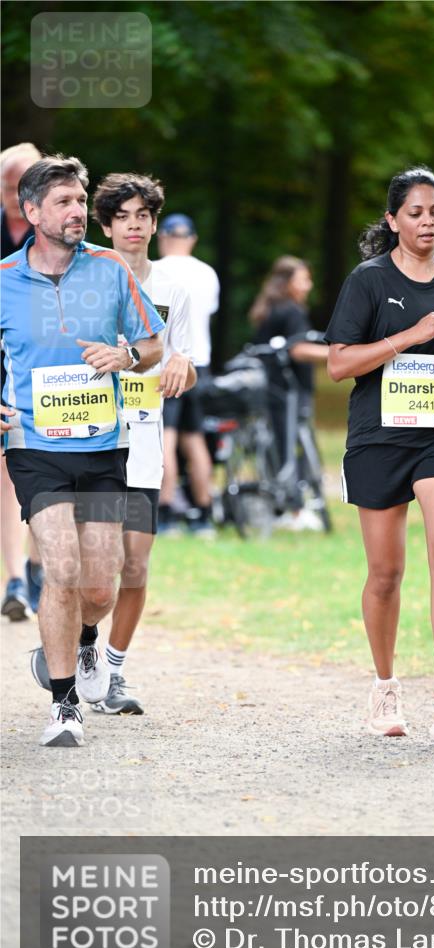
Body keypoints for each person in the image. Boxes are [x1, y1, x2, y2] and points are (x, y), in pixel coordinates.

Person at [326, 166, 434, 742]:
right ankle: (384, 687)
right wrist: (409, 335)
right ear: (393, 219)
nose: (428, 222)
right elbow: (339, 364)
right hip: (379, 438)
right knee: (386, 574)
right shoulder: (368, 281)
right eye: (415, 213)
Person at [1, 154, 164, 747]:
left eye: (79, 200)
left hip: (102, 446)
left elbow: (152, 345)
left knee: (99, 588)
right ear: (31, 211)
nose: (77, 212)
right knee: (61, 568)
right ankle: (64, 703)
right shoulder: (3, 279)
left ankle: (76, 641)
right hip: (34, 446)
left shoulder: (110, 269)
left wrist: (125, 356)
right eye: (64, 202)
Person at [30, 174, 197, 714]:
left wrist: (179, 363)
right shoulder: (82, 277)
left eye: (142, 215)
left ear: (154, 223)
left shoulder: (174, 289)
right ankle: (73, 644)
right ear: (105, 226)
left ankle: (112, 668)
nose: (133, 225)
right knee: (81, 570)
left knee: (134, 567)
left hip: (142, 441)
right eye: (121, 217)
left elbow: (185, 358)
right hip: (84, 439)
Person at [249, 255, 328, 530]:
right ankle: (294, 509)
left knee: (277, 445)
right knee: (293, 446)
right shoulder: (292, 311)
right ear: (287, 282)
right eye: (303, 279)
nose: (308, 285)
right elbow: (299, 349)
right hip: (290, 389)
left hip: (269, 387)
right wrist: (337, 355)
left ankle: (280, 507)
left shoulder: (269, 307)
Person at [155, 214, 219, 534]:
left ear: (162, 237)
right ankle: (204, 511)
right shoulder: (207, 273)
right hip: (199, 364)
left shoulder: (156, 271)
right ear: (192, 239)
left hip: (168, 364)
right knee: (195, 440)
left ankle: (165, 511)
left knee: (164, 438)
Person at [1, 142, 43, 619]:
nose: (13, 195)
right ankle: (14, 579)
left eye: (20, 185)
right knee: (5, 472)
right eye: (7, 185)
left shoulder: (57, 231)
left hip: (43, 368)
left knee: (42, 470)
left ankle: (34, 567)